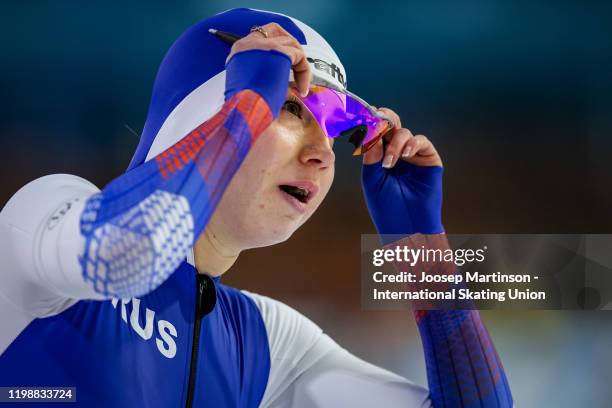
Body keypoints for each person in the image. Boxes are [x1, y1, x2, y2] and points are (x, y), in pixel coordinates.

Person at [0, 8, 513, 408]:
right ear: (203, 111)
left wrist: (421, 251)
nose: (321, 155)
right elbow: (131, 252)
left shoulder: (265, 343)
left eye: (335, 133)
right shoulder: (51, 211)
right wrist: (246, 110)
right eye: (289, 108)